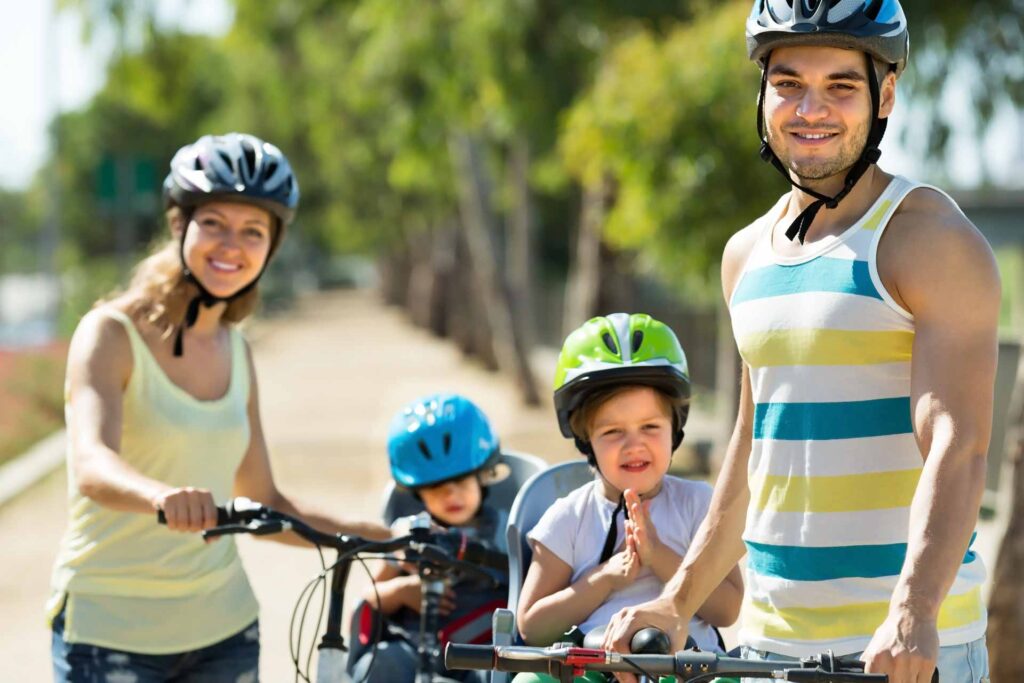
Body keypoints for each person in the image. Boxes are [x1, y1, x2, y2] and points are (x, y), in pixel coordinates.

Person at [602, 3, 1000, 683]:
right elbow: (753, 450)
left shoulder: (927, 237)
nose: (810, 108)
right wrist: (677, 600)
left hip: (902, 649)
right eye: (788, 83)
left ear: (886, 95)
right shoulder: (744, 256)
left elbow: (956, 442)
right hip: (766, 645)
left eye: (841, 86)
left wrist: (913, 610)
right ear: (763, 94)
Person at [48, 132, 391, 682]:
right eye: (214, 224)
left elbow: (262, 501)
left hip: (224, 632)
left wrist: (371, 535)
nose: (232, 245)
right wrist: (163, 497)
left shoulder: (237, 350)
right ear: (179, 225)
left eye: (253, 231)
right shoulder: (110, 332)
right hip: (111, 632)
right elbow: (91, 465)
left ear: (270, 248)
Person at [513, 313, 743, 683]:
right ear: (585, 440)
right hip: (595, 670)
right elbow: (532, 627)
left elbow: (729, 610)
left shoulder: (700, 504)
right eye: (612, 431)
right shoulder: (569, 517)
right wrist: (604, 578)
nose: (634, 443)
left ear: (676, 429)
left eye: (650, 427)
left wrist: (659, 557)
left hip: (688, 668)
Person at [348, 393, 511, 683]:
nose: (450, 494)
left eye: (460, 481)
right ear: (417, 491)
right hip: (417, 653)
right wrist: (401, 591)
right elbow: (370, 596)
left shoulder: (507, 530)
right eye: (435, 487)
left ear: (483, 474)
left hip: (481, 657)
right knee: (381, 663)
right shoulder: (408, 535)